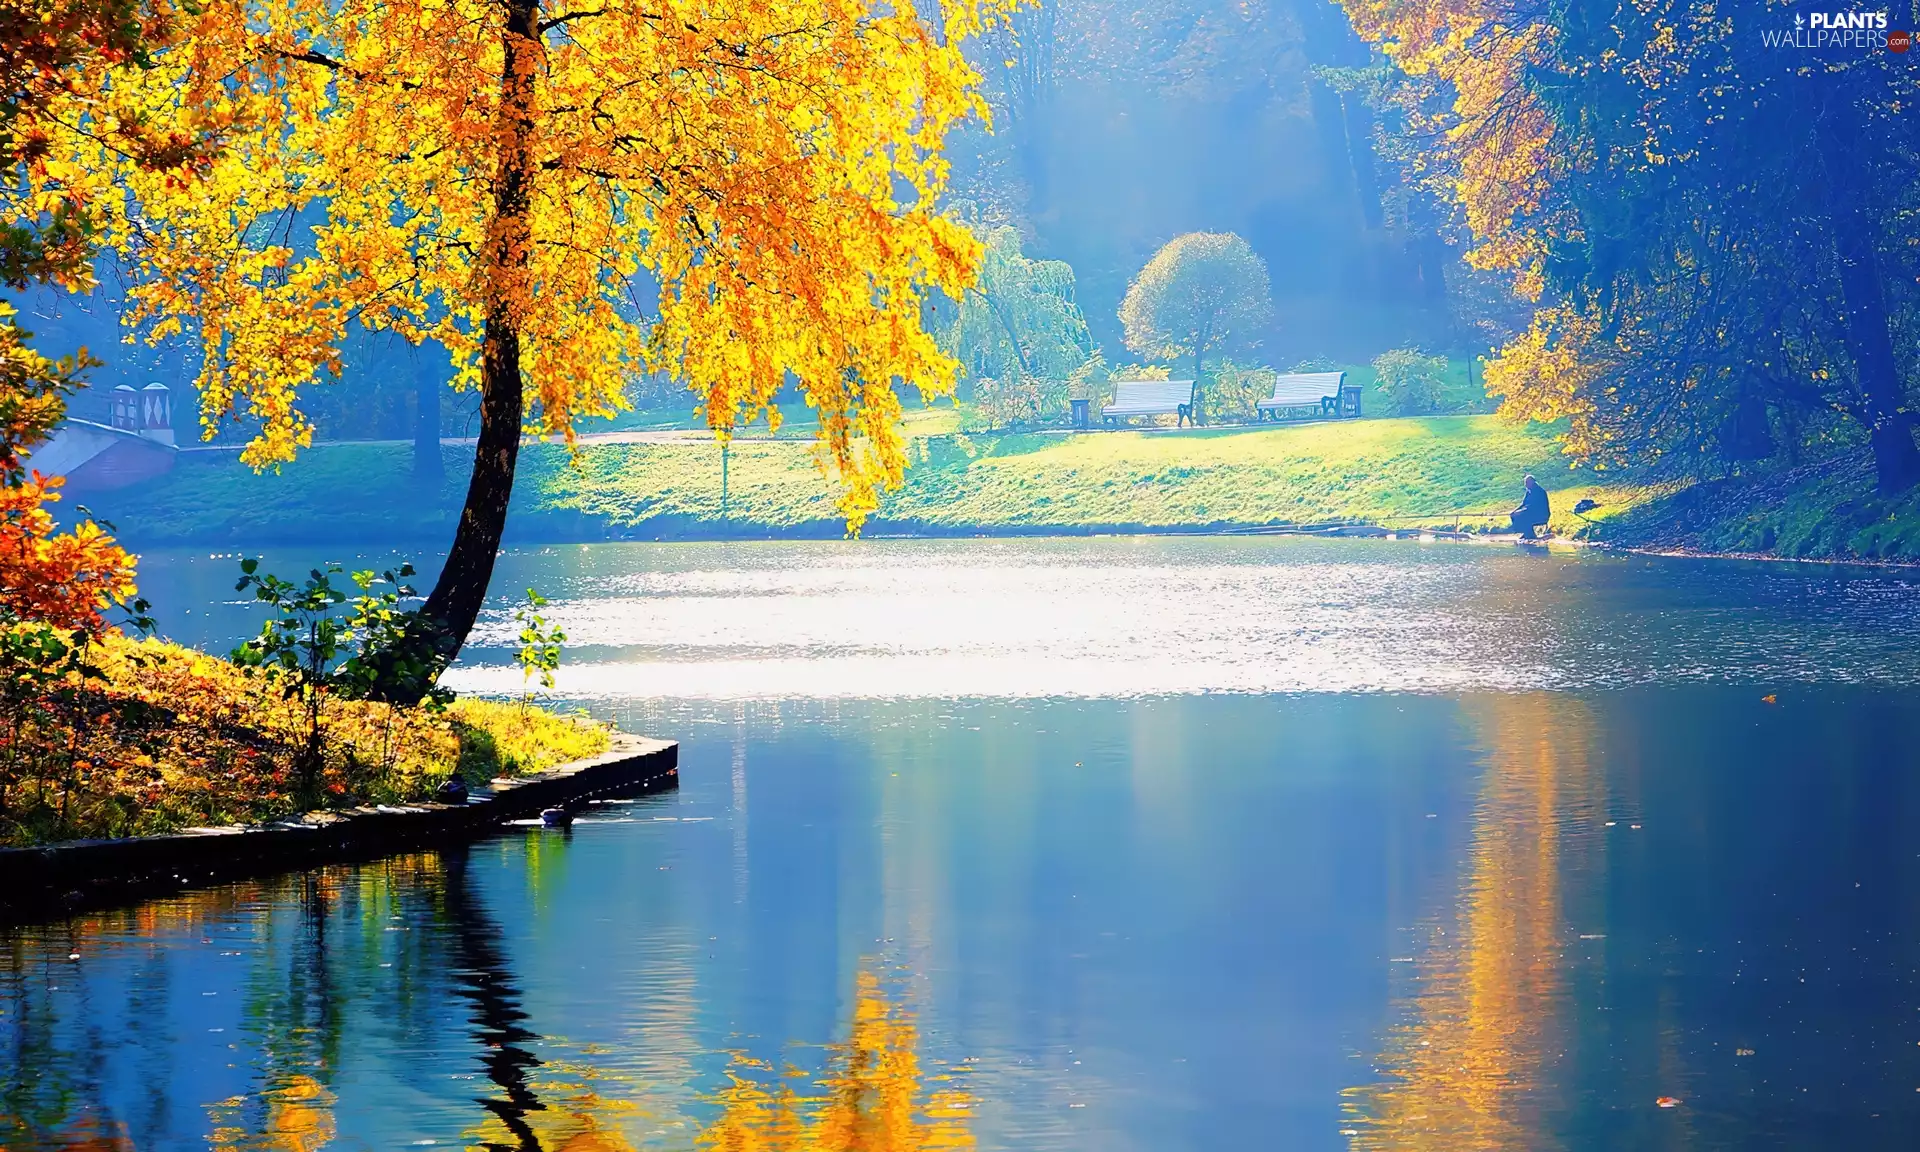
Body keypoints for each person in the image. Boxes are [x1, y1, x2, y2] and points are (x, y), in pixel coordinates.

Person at [1509, 474, 1550, 539]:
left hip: (1541, 514)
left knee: (1524, 516)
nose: (1525, 485)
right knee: (1514, 515)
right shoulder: (1528, 491)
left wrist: (1521, 511)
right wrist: (1514, 511)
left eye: (1527, 483)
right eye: (1525, 483)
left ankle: (1531, 536)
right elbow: (1523, 503)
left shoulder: (1539, 491)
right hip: (1531, 512)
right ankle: (1526, 532)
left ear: (1532, 482)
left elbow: (1533, 506)